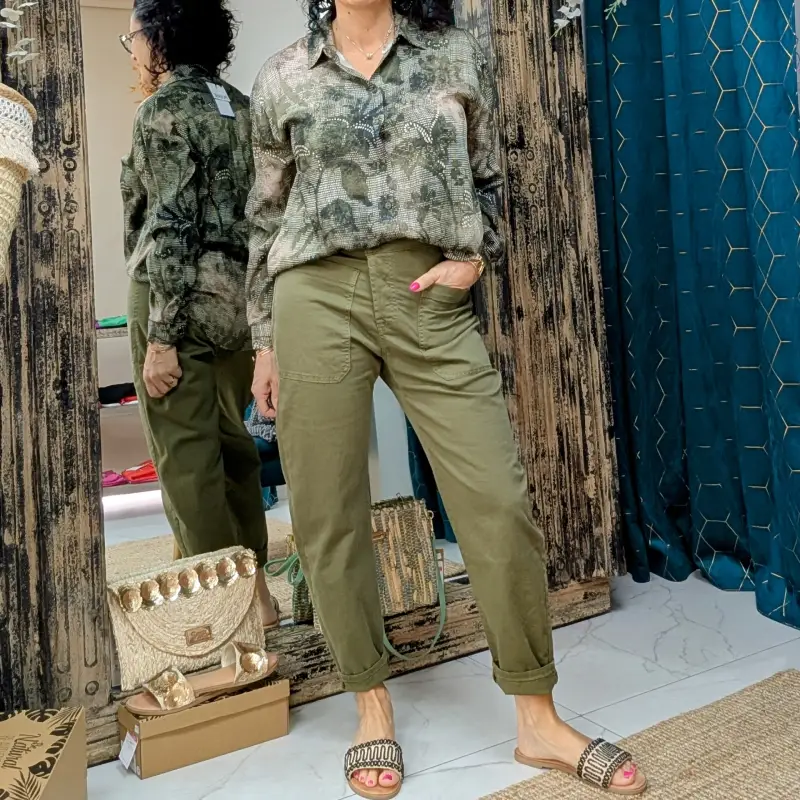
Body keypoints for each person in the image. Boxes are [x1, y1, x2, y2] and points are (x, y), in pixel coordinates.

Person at [246, 1, 646, 797]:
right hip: (312, 296)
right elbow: (264, 215)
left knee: (496, 500)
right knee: (326, 512)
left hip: (425, 292)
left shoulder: (455, 54)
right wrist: (264, 335)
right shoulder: (282, 75)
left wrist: (473, 259)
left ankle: (537, 718)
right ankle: (371, 705)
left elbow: (487, 178)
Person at [120, 0, 279, 629]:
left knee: (188, 464)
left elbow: (169, 225)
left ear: (159, 38)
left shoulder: (161, 110)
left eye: (133, 38)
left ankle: (226, 609)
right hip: (236, 305)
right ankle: (258, 592)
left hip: (176, 304)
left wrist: (160, 337)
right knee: (235, 452)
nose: (133, 51)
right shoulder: (242, 107)